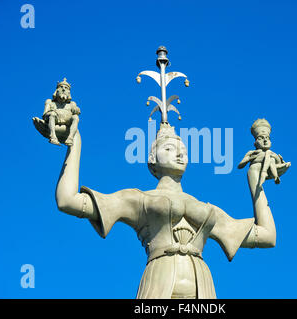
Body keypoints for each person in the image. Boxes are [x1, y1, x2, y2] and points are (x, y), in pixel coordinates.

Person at [52, 120, 278, 299]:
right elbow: (67, 201)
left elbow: (267, 237)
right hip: (158, 287)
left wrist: (255, 180)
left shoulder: (208, 210)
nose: (180, 154)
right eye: (170, 148)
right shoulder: (138, 199)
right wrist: (75, 142)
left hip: (203, 290)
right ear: (152, 160)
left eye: (183, 150)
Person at [238, 118, 291, 188]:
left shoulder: (272, 153)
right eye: (261, 138)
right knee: (269, 154)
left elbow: (279, 163)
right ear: (255, 143)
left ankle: (271, 175)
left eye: (267, 138)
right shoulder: (252, 152)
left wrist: (282, 161)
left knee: (270, 156)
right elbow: (240, 166)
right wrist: (249, 158)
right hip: (254, 171)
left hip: (272, 168)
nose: (265, 140)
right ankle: (268, 174)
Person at [43, 78, 80, 146]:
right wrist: (51, 113)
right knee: (52, 114)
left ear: (69, 92)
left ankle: (70, 138)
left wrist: (76, 110)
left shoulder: (72, 104)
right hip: (55, 119)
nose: (63, 89)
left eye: (66, 88)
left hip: (67, 121)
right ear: (57, 90)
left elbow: (76, 111)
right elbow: (45, 115)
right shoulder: (50, 102)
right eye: (61, 87)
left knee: (75, 117)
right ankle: (53, 137)